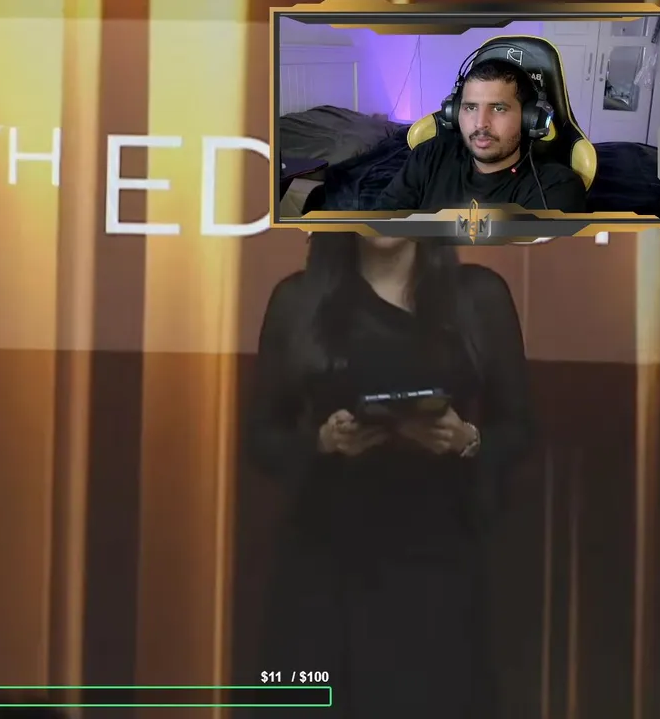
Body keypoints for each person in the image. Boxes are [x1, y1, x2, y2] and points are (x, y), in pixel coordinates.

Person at [245, 235, 536, 719]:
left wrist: (466, 439)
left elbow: (518, 430)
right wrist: (322, 442)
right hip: (324, 565)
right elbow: (262, 437)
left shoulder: (477, 297)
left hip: (437, 563)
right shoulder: (299, 301)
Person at [376, 58, 587, 213]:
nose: (480, 123)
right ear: (453, 113)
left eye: (498, 108)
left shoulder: (556, 187)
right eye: (470, 107)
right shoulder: (429, 156)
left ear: (530, 119)